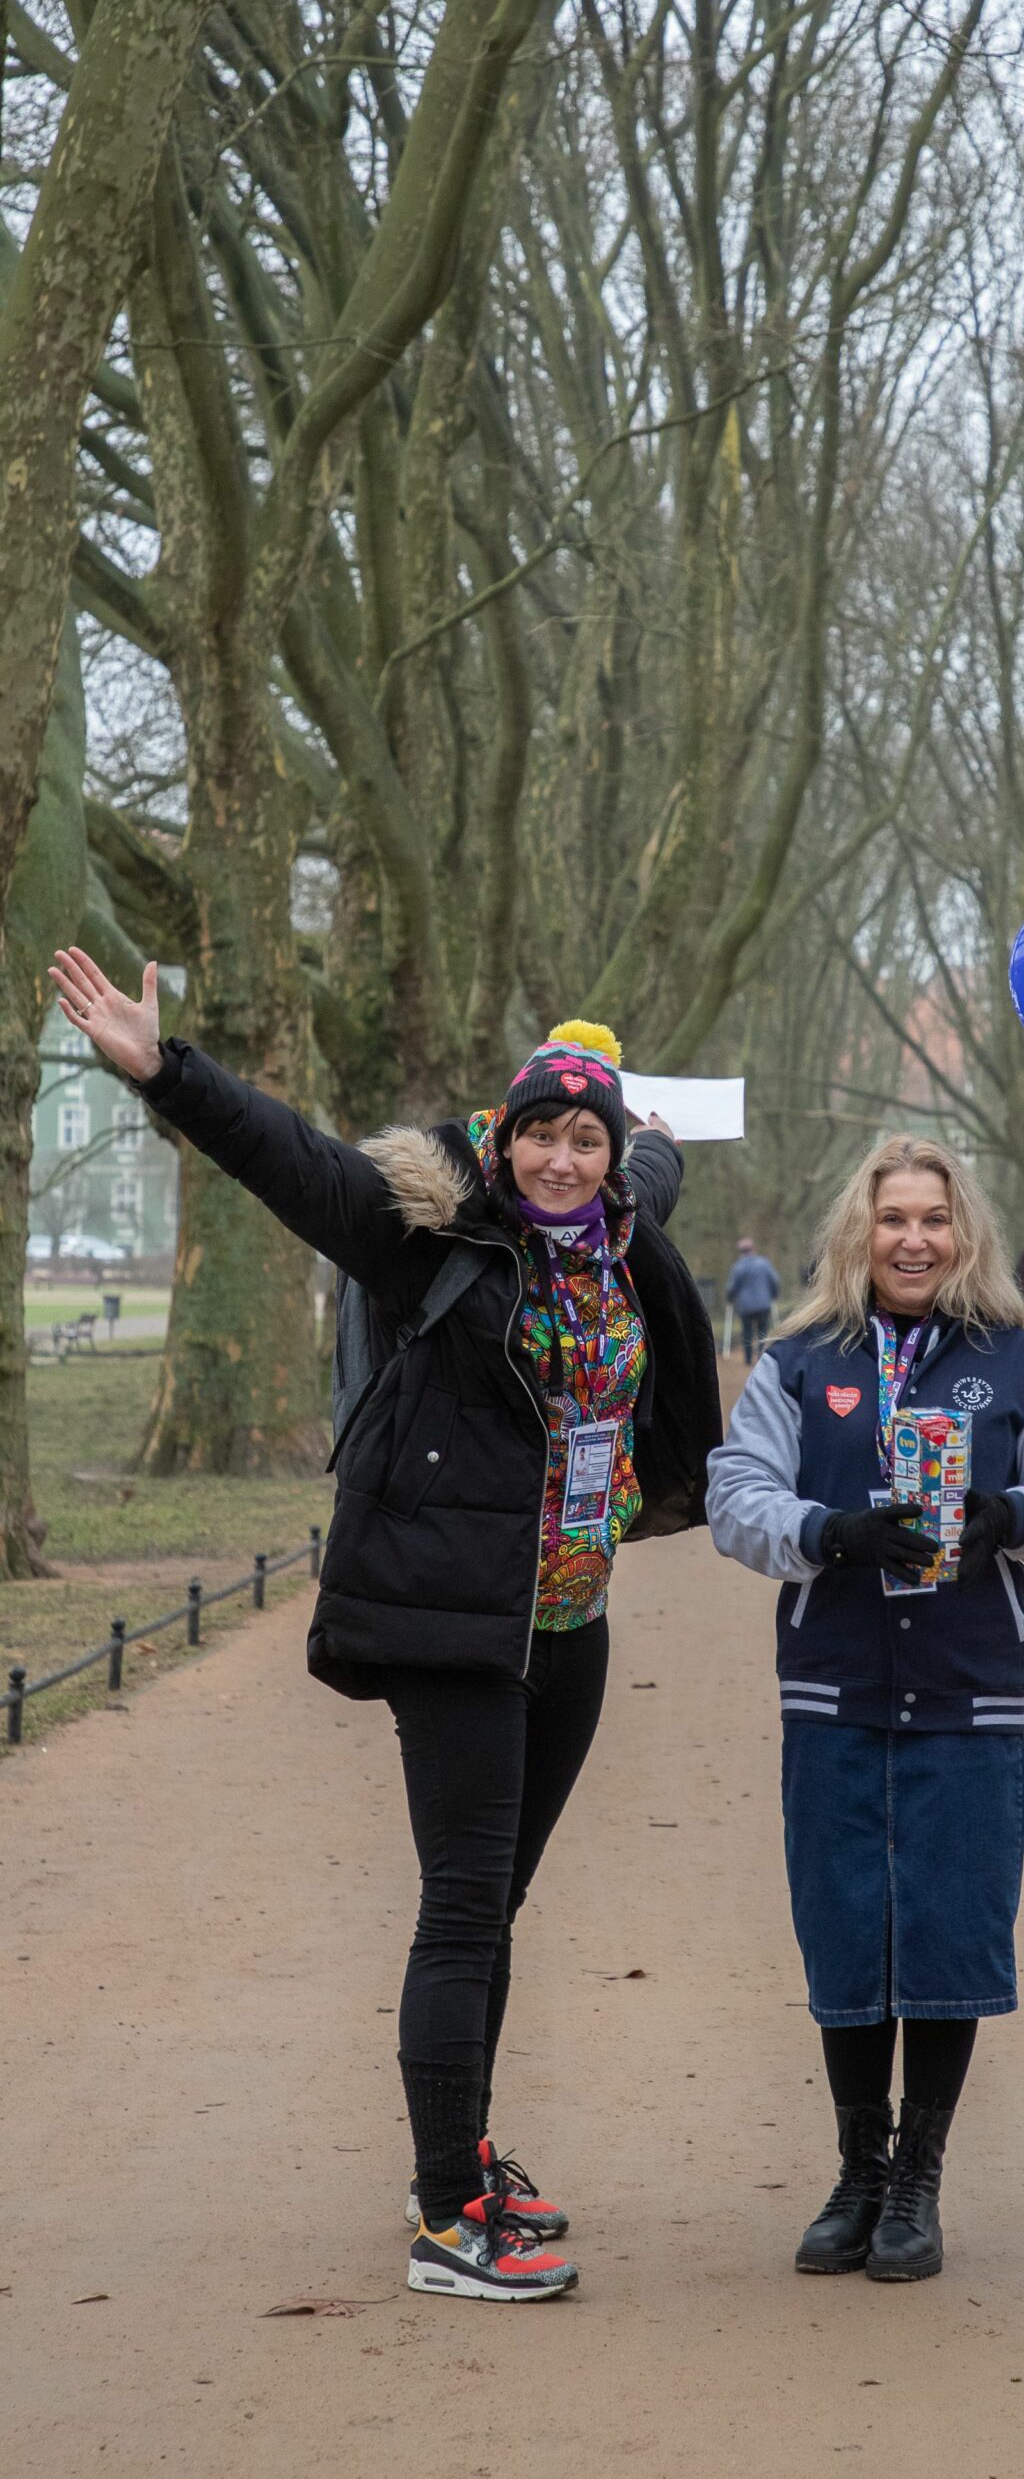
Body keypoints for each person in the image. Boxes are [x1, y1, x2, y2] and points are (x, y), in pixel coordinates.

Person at [48, 949, 722, 2307]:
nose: (562, 1158)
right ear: (502, 1137)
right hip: (453, 1619)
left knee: (498, 1900)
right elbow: (292, 1162)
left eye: (584, 1138)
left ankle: (454, 2153)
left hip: (571, 1620)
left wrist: (650, 1138)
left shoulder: (620, 1230)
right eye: (540, 1132)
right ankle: (448, 2220)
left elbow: (656, 1168)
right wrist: (163, 1068)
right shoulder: (432, 1239)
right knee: (463, 1904)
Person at [706, 1135, 1024, 2283]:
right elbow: (735, 1496)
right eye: (894, 1219)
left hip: (970, 1690)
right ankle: (858, 2170)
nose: (914, 1239)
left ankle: (918, 2177)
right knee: (844, 1923)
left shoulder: (1015, 1363)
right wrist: (827, 1531)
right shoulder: (800, 1361)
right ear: (861, 1230)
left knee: (946, 1928)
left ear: (964, 1232)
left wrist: (1008, 1515)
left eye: (935, 1219)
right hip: (833, 1683)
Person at [725, 1236, 782, 1366]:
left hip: (745, 1306)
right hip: (763, 1304)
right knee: (762, 1330)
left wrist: (730, 1298)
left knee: (747, 1331)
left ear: (741, 1251)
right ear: (753, 1249)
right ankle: (761, 1356)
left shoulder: (738, 1267)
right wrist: (774, 1294)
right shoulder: (764, 1263)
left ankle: (748, 1358)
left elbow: (732, 1287)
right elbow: (775, 1280)